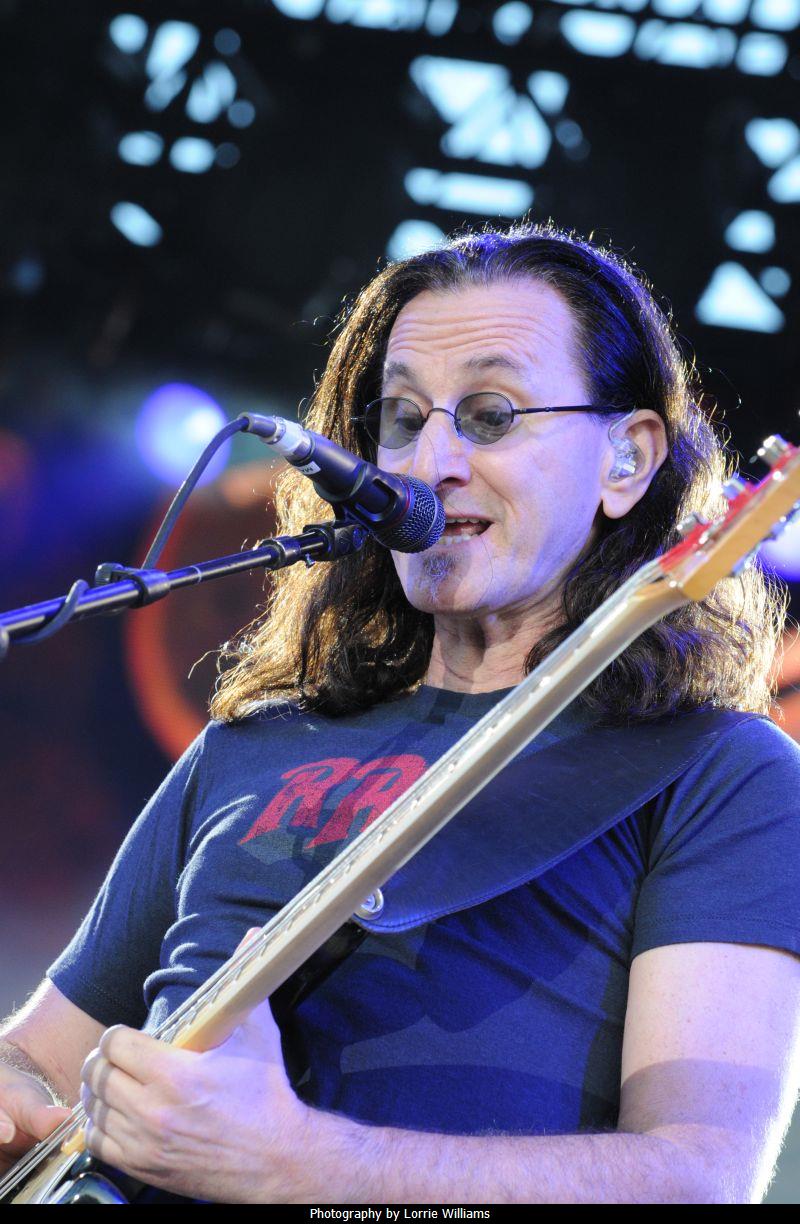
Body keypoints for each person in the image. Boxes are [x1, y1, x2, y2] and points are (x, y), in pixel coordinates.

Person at [2, 222, 800, 1205]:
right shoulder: (247, 746)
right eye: (402, 417)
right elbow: (40, 1055)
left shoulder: (717, 773)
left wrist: (295, 1161)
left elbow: (699, 1179)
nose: (431, 459)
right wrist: (14, 1093)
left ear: (626, 461)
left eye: (491, 415)